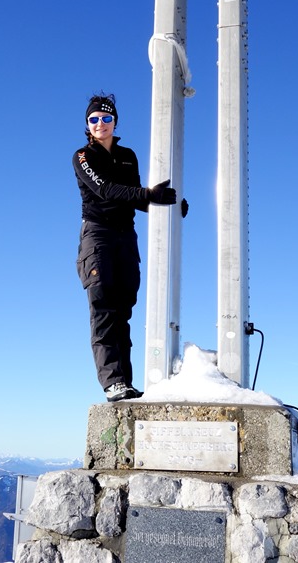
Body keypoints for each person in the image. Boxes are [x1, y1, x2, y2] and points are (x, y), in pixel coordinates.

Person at [72, 93, 180, 402]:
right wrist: (148, 195)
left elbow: (134, 195)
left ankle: (126, 384)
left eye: (106, 118)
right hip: (98, 236)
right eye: (94, 119)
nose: (100, 124)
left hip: (125, 237)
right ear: (88, 124)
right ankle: (112, 382)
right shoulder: (83, 156)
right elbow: (106, 190)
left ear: (115, 122)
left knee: (123, 311)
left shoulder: (127, 156)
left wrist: (171, 203)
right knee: (103, 307)